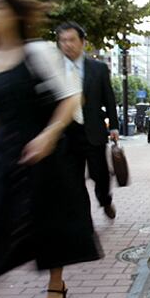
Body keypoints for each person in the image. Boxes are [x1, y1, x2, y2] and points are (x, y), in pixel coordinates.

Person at [0, 0, 102, 298]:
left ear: (12, 12)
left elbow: (71, 97)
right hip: (7, 153)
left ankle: (55, 287)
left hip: (46, 150)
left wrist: (48, 135)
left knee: (51, 221)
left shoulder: (38, 52)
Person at [56, 22, 119, 219]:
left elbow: (109, 99)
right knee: (73, 181)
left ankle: (105, 199)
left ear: (83, 42)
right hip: (67, 134)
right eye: (63, 40)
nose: (67, 44)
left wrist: (114, 127)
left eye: (72, 40)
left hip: (93, 130)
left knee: (99, 174)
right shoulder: (55, 69)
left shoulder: (98, 68)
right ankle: (85, 221)